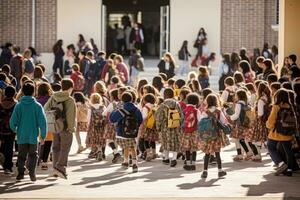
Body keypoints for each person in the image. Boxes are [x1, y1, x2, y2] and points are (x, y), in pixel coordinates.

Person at [10, 81, 47, 181]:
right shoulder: (38, 106)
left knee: (21, 156)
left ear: (22, 92)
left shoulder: (19, 106)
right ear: (33, 92)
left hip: (21, 136)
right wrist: (43, 135)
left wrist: (15, 130)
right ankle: (32, 173)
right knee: (33, 155)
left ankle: (21, 173)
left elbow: (12, 121)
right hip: (33, 136)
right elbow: (43, 122)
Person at [44, 78, 76, 179]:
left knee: (55, 147)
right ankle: (60, 167)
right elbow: (70, 115)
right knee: (65, 147)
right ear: (71, 88)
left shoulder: (54, 97)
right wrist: (71, 128)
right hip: (65, 127)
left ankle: (55, 168)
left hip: (55, 126)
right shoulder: (70, 100)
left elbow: (45, 108)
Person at [110, 92, 143, 173]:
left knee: (125, 147)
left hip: (122, 132)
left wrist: (115, 110)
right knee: (132, 147)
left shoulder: (121, 109)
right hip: (133, 132)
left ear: (122, 100)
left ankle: (126, 161)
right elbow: (140, 120)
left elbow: (112, 119)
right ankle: (134, 163)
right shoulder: (136, 109)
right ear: (132, 99)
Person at [267, 88, 296, 176]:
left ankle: (281, 164)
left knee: (270, 146)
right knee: (288, 151)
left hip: (277, 132)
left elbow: (272, 120)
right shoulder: (290, 106)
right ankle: (290, 169)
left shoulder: (276, 106)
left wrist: (268, 125)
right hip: (288, 132)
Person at [198, 94, 228, 178]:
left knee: (207, 153)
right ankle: (220, 171)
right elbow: (223, 121)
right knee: (217, 153)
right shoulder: (218, 111)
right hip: (216, 135)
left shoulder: (205, 111)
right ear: (216, 101)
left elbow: (200, 122)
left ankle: (205, 171)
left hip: (207, 136)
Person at [155, 88, 183, 167]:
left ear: (164, 95)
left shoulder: (163, 105)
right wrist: (180, 124)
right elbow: (180, 115)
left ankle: (166, 158)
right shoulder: (176, 104)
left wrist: (158, 126)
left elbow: (158, 116)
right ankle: (174, 159)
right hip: (175, 126)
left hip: (165, 127)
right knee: (175, 142)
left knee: (165, 142)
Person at [0, 86, 17, 174]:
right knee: (10, 148)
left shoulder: (0, 104)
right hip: (11, 129)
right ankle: (8, 166)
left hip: (1, 129)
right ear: (14, 94)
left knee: (2, 146)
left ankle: (2, 162)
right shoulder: (16, 104)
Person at [36, 83, 53, 170]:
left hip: (39, 124)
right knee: (48, 143)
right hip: (49, 123)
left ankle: (38, 159)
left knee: (40, 142)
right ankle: (44, 161)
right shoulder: (51, 100)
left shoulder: (36, 100)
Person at [181, 93, 200, 171]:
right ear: (196, 102)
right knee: (194, 148)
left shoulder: (184, 110)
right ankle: (194, 164)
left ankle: (188, 164)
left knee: (187, 148)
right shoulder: (196, 110)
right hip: (195, 131)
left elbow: (181, 122)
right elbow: (200, 120)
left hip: (186, 132)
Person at [86, 93, 106, 161]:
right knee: (100, 139)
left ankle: (96, 151)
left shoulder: (90, 108)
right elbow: (105, 116)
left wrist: (88, 125)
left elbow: (88, 118)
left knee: (94, 139)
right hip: (102, 126)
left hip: (93, 126)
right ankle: (100, 150)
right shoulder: (103, 107)